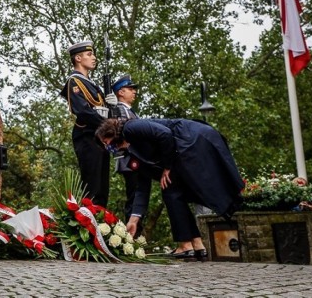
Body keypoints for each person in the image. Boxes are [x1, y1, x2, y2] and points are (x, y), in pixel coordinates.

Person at [96, 118, 244, 260]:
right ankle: (196, 245)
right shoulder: (132, 151)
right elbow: (142, 185)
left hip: (192, 140)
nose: (106, 146)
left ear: (111, 132)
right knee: (172, 191)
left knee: (170, 191)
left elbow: (165, 134)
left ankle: (185, 245)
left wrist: (167, 167)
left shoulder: (131, 128)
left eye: (105, 141)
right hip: (181, 152)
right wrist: (134, 220)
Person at [59, 41, 117, 207]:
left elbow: (100, 108)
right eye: (89, 55)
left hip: (99, 136)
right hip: (88, 136)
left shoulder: (91, 84)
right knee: (92, 187)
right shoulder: (74, 82)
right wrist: (109, 125)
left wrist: (112, 104)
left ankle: (101, 223)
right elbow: (83, 111)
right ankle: (90, 224)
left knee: (102, 187)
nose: (94, 58)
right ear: (78, 58)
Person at [110, 74, 143, 236]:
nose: (134, 92)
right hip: (130, 159)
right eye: (130, 89)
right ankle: (133, 237)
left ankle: (137, 235)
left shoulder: (130, 111)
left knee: (137, 196)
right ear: (121, 92)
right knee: (134, 197)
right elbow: (121, 134)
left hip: (135, 158)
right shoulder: (118, 110)